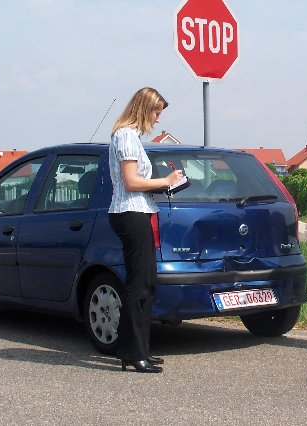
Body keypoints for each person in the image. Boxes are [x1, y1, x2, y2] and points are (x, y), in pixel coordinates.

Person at [108, 87, 183, 373]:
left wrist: (167, 183)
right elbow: (131, 182)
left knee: (146, 282)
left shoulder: (131, 137)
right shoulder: (125, 135)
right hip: (130, 212)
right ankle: (132, 352)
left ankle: (136, 348)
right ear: (144, 108)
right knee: (138, 284)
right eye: (156, 112)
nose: (158, 119)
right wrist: (165, 181)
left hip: (139, 211)